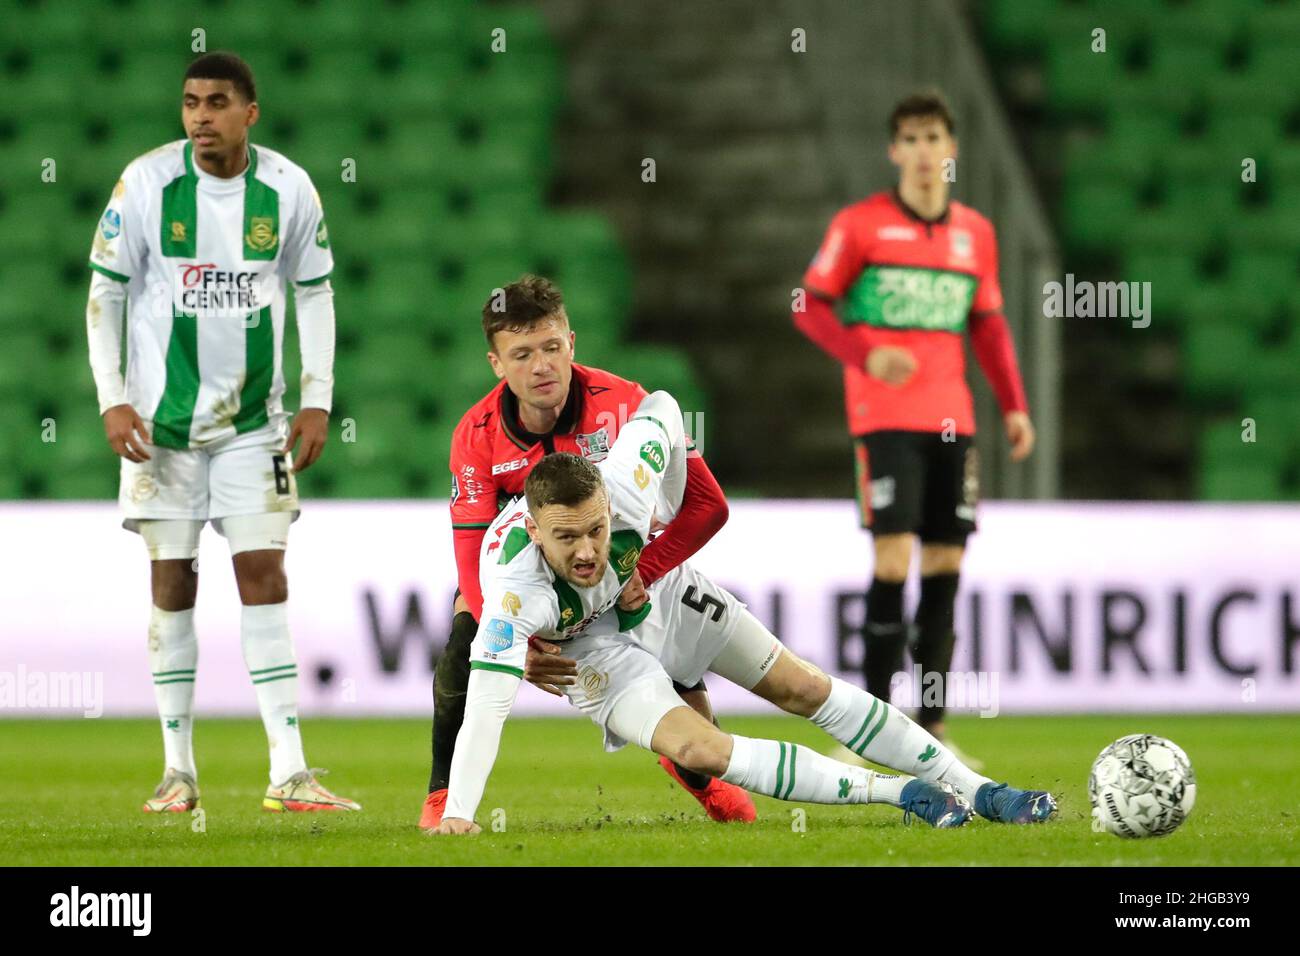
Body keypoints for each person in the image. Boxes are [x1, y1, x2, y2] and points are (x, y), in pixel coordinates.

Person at [432, 391, 1056, 835]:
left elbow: (664, 410)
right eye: (568, 539)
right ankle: (907, 794)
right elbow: (488, 704)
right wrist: (460, 810)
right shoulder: (517, 591)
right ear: (537, 534)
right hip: (592, 650)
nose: (590, 550)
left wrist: (646, 563)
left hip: (664, 593)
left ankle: (985, 792)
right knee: (699, 749)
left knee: (801, 686)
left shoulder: (622, 482)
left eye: (598, 530)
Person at [86, 52, 357, 812]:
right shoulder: (145, 185)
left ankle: (289, 772)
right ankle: (178, 774)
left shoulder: (288, 188)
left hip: (252, 426)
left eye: (216, 103)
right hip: (161, 428)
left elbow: (315, 294)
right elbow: (103, 295)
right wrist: (113, 398)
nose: (201, 116)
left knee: (264, 578)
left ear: (250, 113)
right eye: (190, 103)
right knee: (171, 585)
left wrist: (317, 398)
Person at [420, 275, 754, 830]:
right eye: (521, 354)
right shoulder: (476, 436)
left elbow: (706, 507)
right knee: (462, 642)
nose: (541, 366)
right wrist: (508, 636)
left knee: (684, 690)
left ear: (571, 342)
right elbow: (470, 553)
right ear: (496, 364)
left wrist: (640, 571)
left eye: (551, 348)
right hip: (527, 586)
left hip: (616, 574)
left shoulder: (625, 405)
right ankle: (442, 793)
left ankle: (696, 773)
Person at [793, 90, 1034, 756]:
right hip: (885, 417)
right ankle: (871, 729)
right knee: (893, 558)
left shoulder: (975, 234)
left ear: (952, 149)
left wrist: (1013, 403)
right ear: (893, 150)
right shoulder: (862, 225)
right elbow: (808, 307)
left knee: (947, 563)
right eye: (911, 139)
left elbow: (987, 325)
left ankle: (931, 730)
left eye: (935, 139)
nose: (924, 153)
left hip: (952, 418)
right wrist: (867, 352)